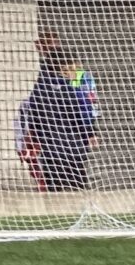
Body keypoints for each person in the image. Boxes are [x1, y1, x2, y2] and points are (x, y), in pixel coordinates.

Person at [18, 32, 96, 193]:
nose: (74, 71)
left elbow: (34, 114)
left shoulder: (43, 87)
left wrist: (36, 136)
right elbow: (83, 111)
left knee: (57, 183)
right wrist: (90, 132)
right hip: (69, 144)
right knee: (74, 182)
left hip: (54, 145)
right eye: (71, 69)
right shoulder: (67, 88)